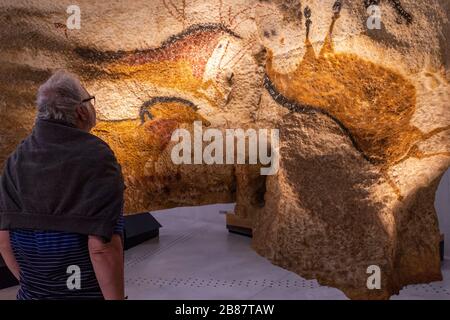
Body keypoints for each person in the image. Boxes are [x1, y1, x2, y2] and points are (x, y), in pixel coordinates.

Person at [0, 70, 125, 300]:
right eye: (90, 100)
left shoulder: (16, 158)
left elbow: (4, 240)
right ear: (80, 111)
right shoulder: (96, 157)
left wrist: (38, 288)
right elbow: (101, 247)